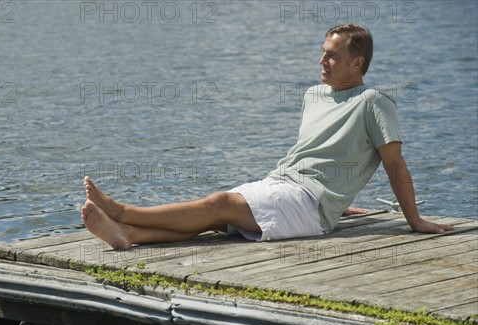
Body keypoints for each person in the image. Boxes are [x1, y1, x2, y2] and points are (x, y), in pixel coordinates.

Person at [81, 23, 454, 250]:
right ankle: (127, 233)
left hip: (307, 205)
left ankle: (122, 211)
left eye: (332, 57)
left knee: (218, 203)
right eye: (322, 54)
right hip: (285, 185)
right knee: (214, 222)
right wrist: (341, 200)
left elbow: (394, 164)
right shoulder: (314, 95)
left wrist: (414, 220)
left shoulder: (374, 101)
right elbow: (318, 157)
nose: (322, 62)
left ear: (357, 63)